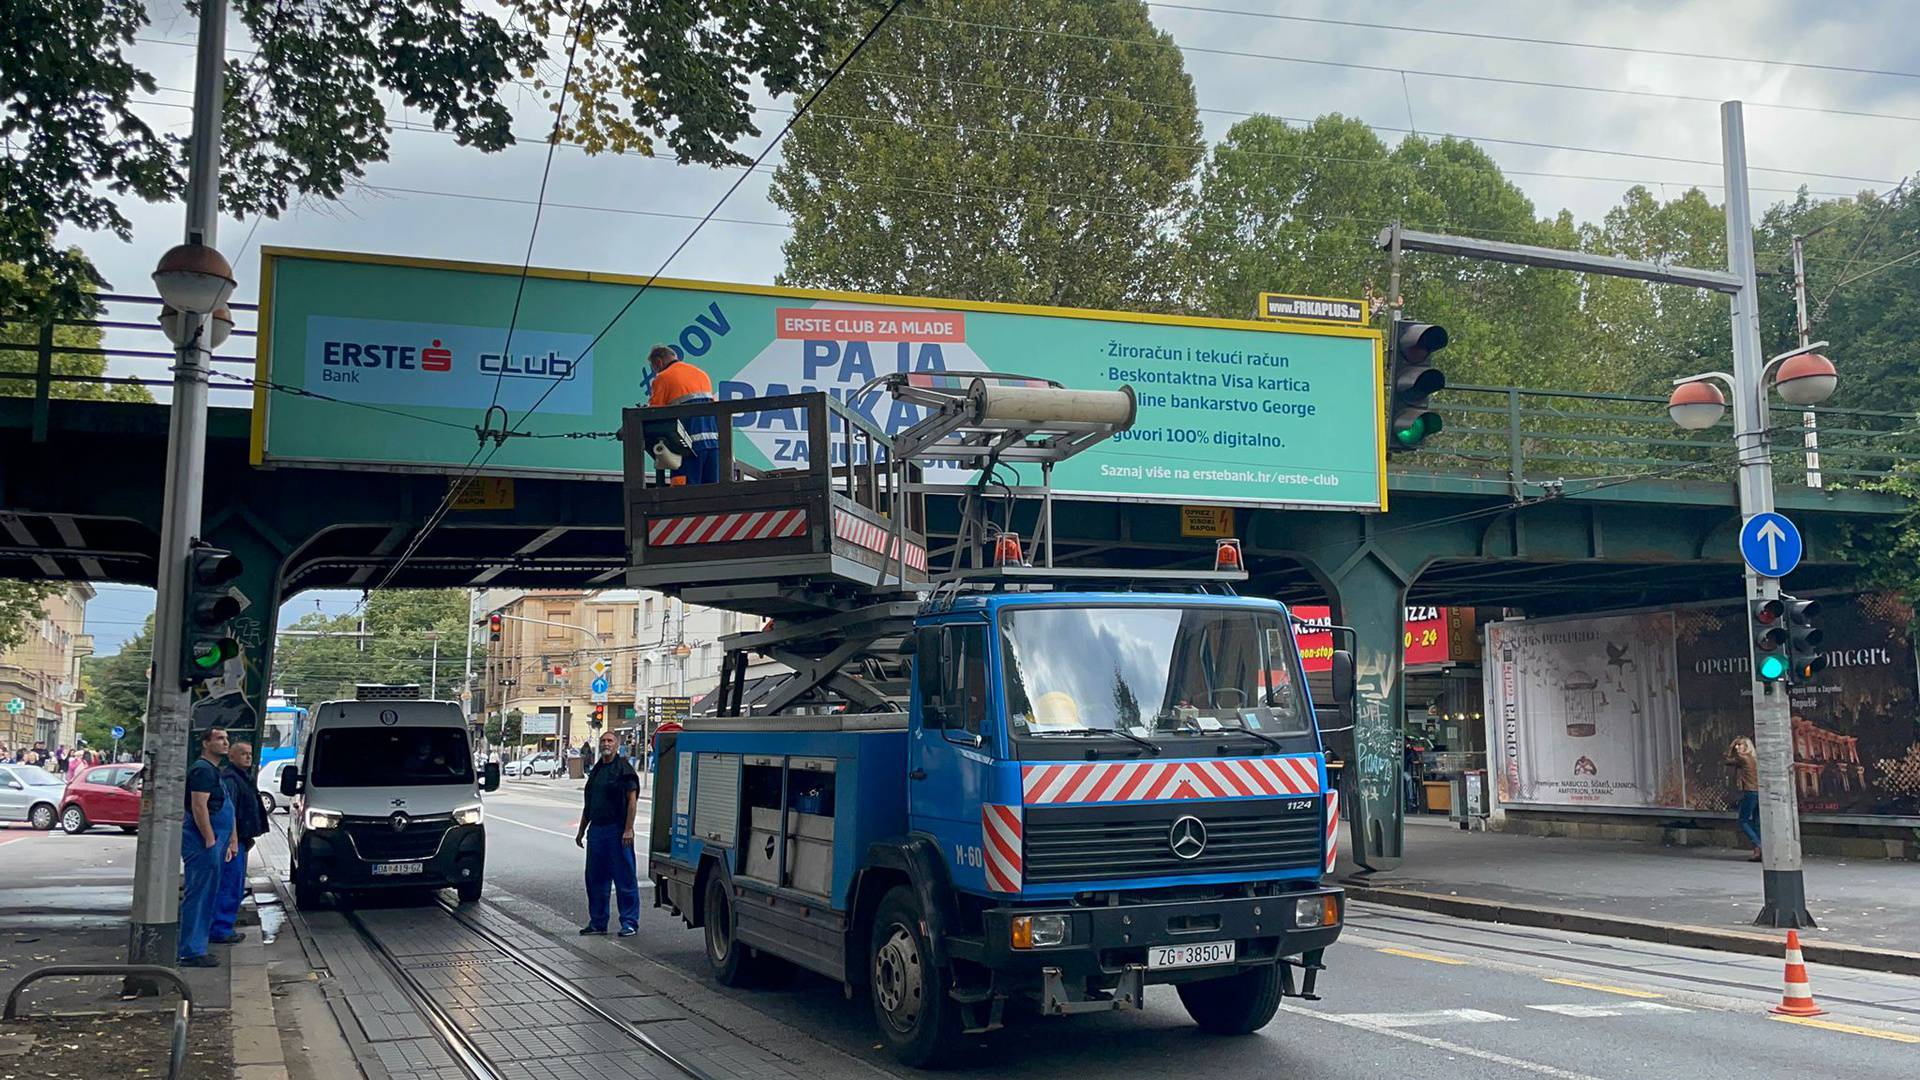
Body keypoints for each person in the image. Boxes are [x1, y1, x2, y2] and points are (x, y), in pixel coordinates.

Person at [575, 731, 641, 937]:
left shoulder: (624, 769)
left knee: (625, 878)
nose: (606, 744)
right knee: (595, 879)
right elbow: (589, 804)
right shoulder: (597, 770)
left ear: (617, 745)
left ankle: (629, 922)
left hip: (618, 830)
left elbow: (632, 801)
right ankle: (598, 922)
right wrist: (581, 830)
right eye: (603, 741)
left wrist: (628, 828)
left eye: (610, 741)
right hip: (597, 831)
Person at [180, 727, 235, 968]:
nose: (226, 743)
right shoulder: (202, 770)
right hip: (203, 841)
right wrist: (210, 839)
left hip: (214, 839)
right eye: (220, 739)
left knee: (207, 893)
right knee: (199, 895)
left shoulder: (212, 770)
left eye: (227, 739)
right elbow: (199, 806)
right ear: (205, 743)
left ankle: (196, 946)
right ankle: (191, 950)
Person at [211, 740, 267, 945]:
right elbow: (230, 811)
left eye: (250, 753)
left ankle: (223, 925)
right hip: (233, 841)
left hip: (240, 839)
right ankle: (221, 928)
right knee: (229, 885)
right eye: (243, 753)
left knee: (233, 884)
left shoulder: (241, 777)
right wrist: (233, 840)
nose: (248, 757)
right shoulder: (232, 779)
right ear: (232, 757)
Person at [646, 344, 719, 485]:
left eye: (654, 368)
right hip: (713, 445)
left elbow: (653, 413)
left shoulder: (663, 378)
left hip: (687, 446)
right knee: (711, 496)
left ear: (659, 362)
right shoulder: (701, 374)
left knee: (683, 496)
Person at [1724, 735, 1761, 862]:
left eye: (1740, 745)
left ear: (1747, 747)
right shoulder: (1755, 758)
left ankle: (1759, 845)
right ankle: (1758, 851)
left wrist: (1731, 746)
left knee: (1743, 820)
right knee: (1756, 822)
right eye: (1737, 745)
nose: (1737, 747)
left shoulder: (1743, 758)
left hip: (1750, 792)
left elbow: (1727, 759)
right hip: (1759, 792)